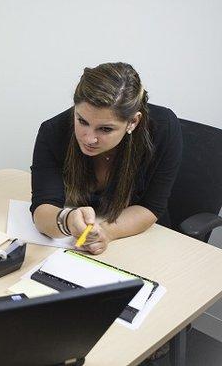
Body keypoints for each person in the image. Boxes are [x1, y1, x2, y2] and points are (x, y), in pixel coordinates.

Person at [30, 62, 182, 254]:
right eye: (82, 121)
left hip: (142, 243)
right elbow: (43, 208)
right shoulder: (53, 131)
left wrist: (107, 233)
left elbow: (150, 207)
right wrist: (67, 221)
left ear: (133, 122)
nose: (89, 138)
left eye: (105, 129)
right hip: (76, 246)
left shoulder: (163, 129)